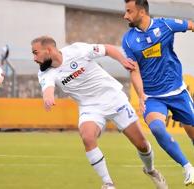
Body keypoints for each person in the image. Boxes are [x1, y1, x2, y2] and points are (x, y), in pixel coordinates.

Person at [31, 36, 168, 189]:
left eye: (36, 53)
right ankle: (108, 183)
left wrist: (122, 60)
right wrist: (48, 96)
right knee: (87, 137)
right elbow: (47, 87)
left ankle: (151, 170)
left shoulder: (77, 50)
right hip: (90, 107)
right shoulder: (44, 73)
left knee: (142, 144)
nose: (34, 58)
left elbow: (107, 49)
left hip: (113, 98)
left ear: (48, 50)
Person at [122, 0, 194, 186]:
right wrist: (141, 95)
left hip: (178, 92)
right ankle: (187, 167)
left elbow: (191, 25)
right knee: (156, 128)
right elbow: (134, 71)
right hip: (153, 97)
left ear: (142, 11)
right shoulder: (129, 40)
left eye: (129, 11)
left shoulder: (166, 25)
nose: (125, 16)